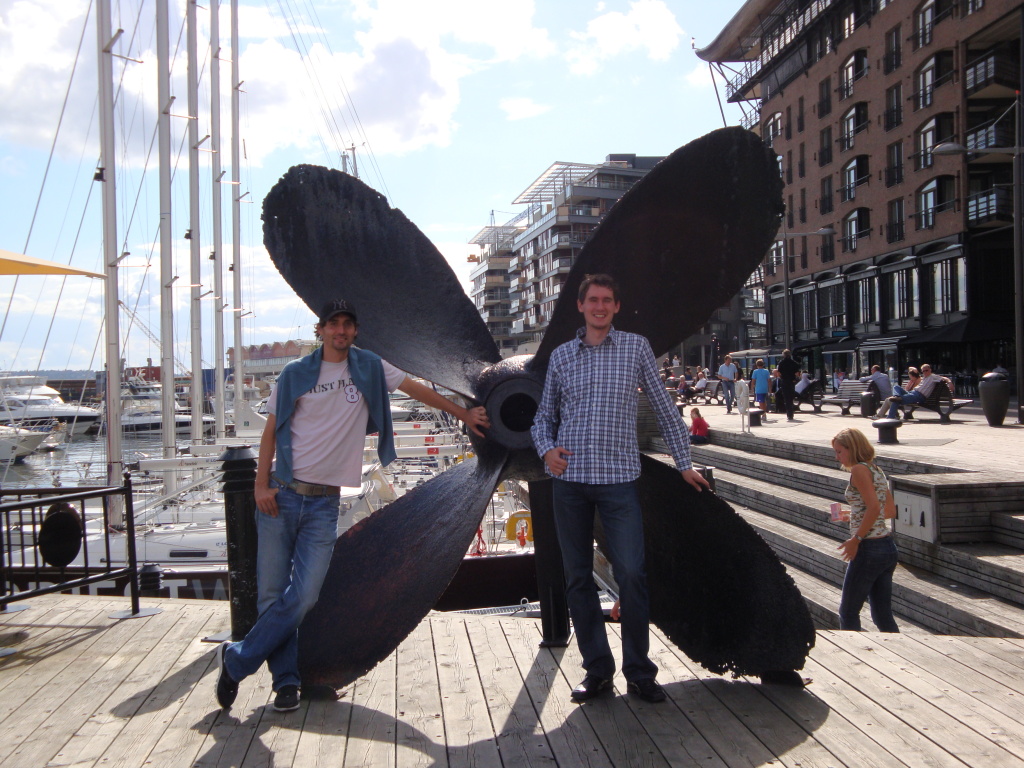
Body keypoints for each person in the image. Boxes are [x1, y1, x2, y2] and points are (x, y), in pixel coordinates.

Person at [215, 299, 490, 712]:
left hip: (324, 503)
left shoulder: (370, 368)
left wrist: (464, 415)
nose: (340, 330)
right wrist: (259, 487)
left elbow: (415, 388)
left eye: (347, 324)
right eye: (333, 324)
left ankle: (236, 660)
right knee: (272, 596)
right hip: (281, 493)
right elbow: (271, 431)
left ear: (355, 330)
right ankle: (286, 682)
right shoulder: (295, 373)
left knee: (304, 596)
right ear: (321, 329)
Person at [531, 273, 709, 705]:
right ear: (580, 306)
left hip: (618, 480)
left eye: (607, 300)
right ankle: (597, 671)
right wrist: (547, 450)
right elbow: (543, 418)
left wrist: (683, 464)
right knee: (578, 578)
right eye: (593, 300)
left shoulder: (635, 348)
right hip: (570, 481)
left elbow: (665, 408)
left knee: (631, 573)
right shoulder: (562, 356)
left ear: (616, 307)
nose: (599, 306)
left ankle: (639, 672)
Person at [831, 428, 899, 633]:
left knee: (848, 612)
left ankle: (852, 651)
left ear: (852, 448)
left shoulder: (859, 470)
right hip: (887, 547)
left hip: (869, 548)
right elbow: (889, 510)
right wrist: (852, 515)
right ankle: (896, 648)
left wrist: (856, 539)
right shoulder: (876, 470)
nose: (837, 457)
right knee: (882, 615)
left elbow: (874, 508)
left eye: (839, 451)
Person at [878, 364, 950, 420]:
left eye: (926, 370)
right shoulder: (924, 378)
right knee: (896, 387)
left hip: (919, 396)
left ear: (930, 370)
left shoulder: (933, 377)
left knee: (894, 400)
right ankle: (897, 397)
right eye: (923, 371)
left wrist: (950, 383)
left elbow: (944, 378)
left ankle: (891, 417)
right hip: (912, 393)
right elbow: (910, 368)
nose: (925, 372)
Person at [777, 349, 800, 421]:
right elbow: (797, 373)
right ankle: (791, 413)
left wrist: (782, 377)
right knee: (791, 398)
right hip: (791, 382)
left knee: (786, 398)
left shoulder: (781, 363)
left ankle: (789, 414)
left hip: (784, 381)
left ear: (783, 355)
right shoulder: (794, 363)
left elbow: (779, 373)